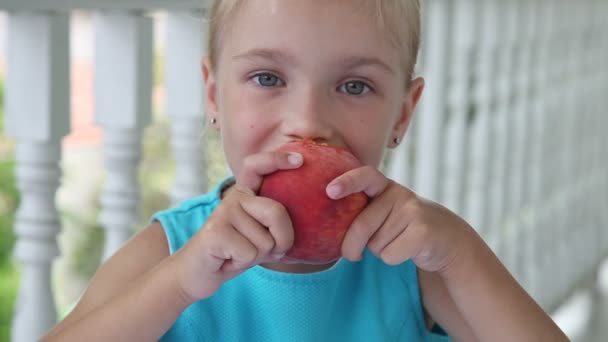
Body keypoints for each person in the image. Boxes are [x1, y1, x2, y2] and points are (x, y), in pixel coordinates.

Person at [42, 0, 569, 341]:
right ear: (213, 95)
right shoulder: (175, 251)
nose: (308, 124)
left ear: (402, 115)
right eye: (268, 77)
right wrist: (179, 285)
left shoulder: (415, 260)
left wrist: (461, 253)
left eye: (354, 86)